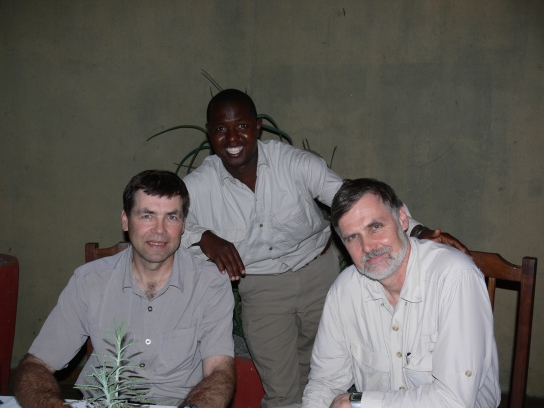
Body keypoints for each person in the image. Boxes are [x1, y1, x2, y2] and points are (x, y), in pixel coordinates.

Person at [181, 89, 470, 408]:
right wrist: (203, 237)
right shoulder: (198, 186)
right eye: (221, 129)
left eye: (242, 126)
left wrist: (416, 230)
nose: (233, 137)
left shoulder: (294, 163)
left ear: (258, 126)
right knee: (282, 392)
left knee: (326, 379)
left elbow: (355, 202)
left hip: (320, 277)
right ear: (209, 133)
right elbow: (163, 229)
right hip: (262, 289)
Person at [14, 170, 236, 408]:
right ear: (125, 219)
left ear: (183, 225)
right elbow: (34, 367)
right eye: (147, 216)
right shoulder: (89, 281)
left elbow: (220, 372)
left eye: (171, 217)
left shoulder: (210, 283)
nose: (159, 230)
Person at [301, 178, 500, 408]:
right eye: (352, 237)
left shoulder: (455, 278)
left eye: (375, 226)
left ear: (402, 218)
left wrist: (360, 402)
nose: (368, 247)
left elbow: (453, 400)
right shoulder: (344, 291)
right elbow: (324, 383)